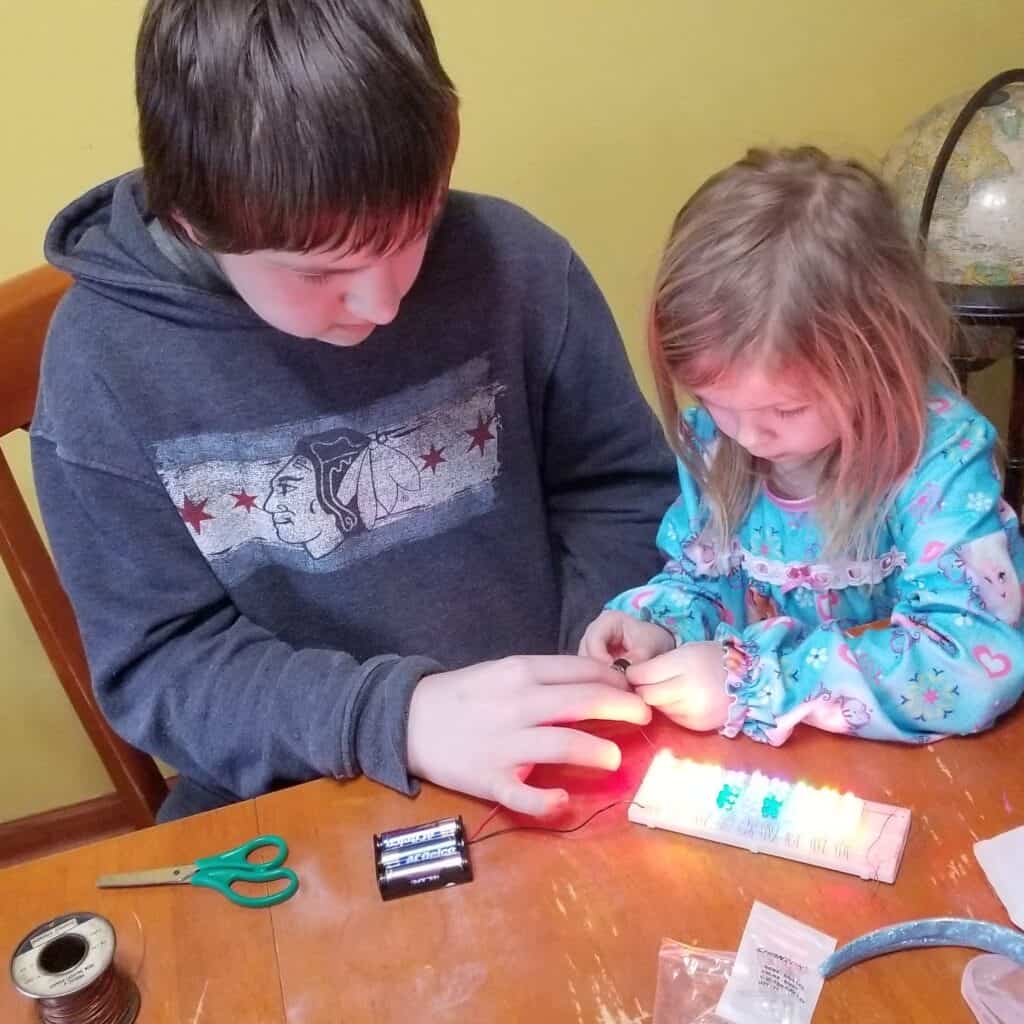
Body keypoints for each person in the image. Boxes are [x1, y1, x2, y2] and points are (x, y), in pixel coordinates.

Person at [31, 0, 676, 821]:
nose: (383, 300)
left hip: (565, 747)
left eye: (413, 230)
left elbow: (622, 488)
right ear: (195, 223)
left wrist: (611, 628)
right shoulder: (104, 366)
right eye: (319, 271)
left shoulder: (519, 266)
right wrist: (395, 719)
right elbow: (163, 665)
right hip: (308, 788)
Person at [581, 147, 1024, 746]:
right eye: (715, 401)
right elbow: (702, 580)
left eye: (785, 410)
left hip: (926, 785)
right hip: (778, 775)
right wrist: (656, 624)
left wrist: (754, 680)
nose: (749, 435)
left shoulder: (940, 458)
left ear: (879, 358)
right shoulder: (719, 444)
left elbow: (969, 663)